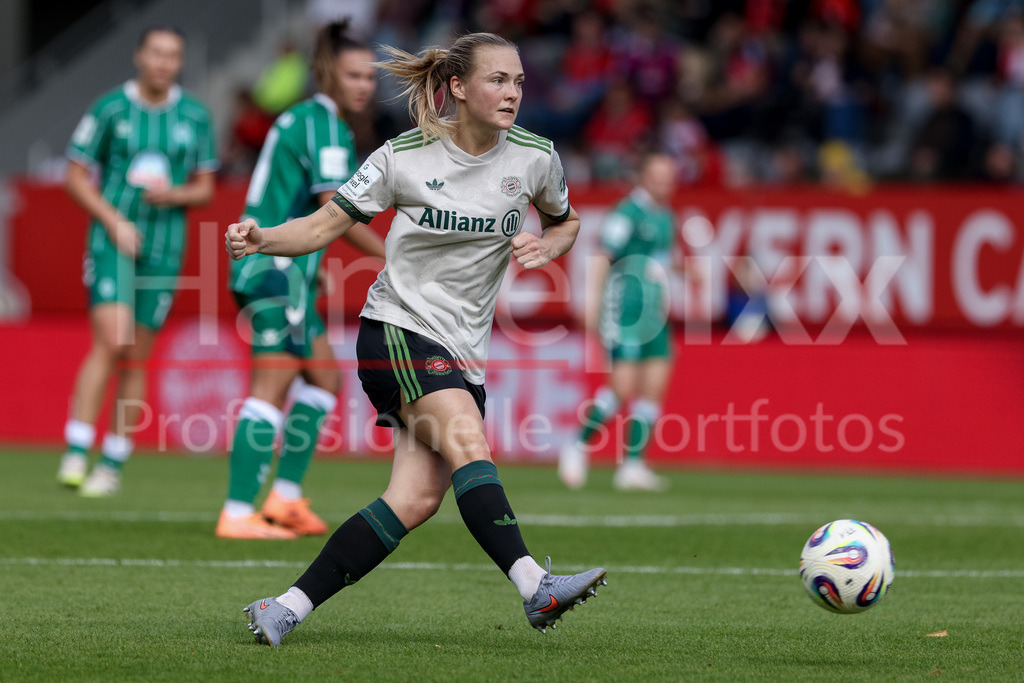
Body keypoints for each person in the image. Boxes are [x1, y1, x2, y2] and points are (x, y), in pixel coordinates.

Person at [226, 32, 606, 645]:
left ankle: (285, 606)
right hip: (396, 329)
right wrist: (261, 237)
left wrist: (547, 244)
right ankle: (534, 583)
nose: (511, 93)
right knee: (468, 442)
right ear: (457, 86)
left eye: (517, 82)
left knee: (415, 499)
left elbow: (567, 221)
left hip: (462, 350)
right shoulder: (403, 157)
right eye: (496, 80)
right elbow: (323, 225)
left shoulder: (535, 157)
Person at [217, 20, 387, 540]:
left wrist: (312, 274)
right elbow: (333, 210)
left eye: (368, 77)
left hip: (289, 272)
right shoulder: (322, 124)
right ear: (326, 75)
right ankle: (238, 511)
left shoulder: (319, 122)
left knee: (325, 380)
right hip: (270, 269)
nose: (362, 85)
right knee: (271, 386)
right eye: (352, 75)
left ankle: (285, 498)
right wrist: (398, 259)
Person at [56, 26, 217, 496]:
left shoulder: (195, 116)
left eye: (173, 55)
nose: (164, 63)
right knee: (113, 336)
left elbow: (205, 187)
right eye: (157, 53)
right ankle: (76, 448)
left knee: (137, 357)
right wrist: (112, 219)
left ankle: (111, 462)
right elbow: (74, 175)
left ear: (179, 62)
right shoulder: (110, 108)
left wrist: (177, 194)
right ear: (139, 56)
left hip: (165, 249)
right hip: (113, 241)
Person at [558, 153, 678, 492]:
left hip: (654, 314)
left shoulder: (667, 216)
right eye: (657, 175)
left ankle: (633, 466)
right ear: (642, 176)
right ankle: (577, 446)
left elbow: (659, 265)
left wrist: (687, 271)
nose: (663, 182)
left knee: (654, 387)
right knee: (622, 387)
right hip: (625, 311)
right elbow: (602, 256)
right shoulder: (627, 213)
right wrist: (591, 301)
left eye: (669, 176)